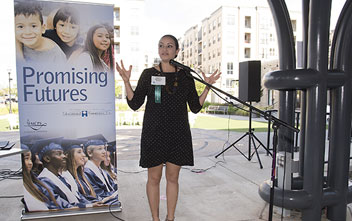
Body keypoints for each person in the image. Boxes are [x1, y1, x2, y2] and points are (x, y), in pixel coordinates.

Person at [116, 34, 221, 221]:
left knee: (173, 178)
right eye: (161, 45)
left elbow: (195, 107)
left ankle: (170, 218)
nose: (164, 49)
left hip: (178, 134)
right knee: (154, 179)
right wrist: (126, 81)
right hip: (153, 133)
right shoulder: (149, 74)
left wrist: (208, 87)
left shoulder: (186, 76)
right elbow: (134, 103)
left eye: (170, 46)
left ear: (177, 51)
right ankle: (155, 219)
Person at [21, 145, 71, 211]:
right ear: (47, 158)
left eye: (30, 159)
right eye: (27, 158)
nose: (30, 163)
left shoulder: (62, 177)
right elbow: (54, 204)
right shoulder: (44, 181)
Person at [83, 136, 119, 204]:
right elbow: (99, 194)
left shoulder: (102, 170)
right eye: (100, 149)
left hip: (111, 199)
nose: (104, 152)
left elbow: (112, 186)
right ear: (89, 153)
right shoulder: (87, 172)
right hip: (103, 202)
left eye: (104, 148)